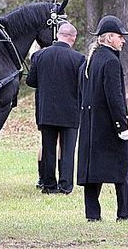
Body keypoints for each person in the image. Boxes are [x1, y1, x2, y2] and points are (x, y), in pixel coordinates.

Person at [77, 15, 128, 223]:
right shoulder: (111, 61)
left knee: (93, 170)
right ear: (109, 38)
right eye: (120, 37)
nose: (123, 41)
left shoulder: (92, 59)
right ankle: (125, 212)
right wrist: (122, 125)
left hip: (92, 124)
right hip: (109, 125)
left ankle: (92, 214)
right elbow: (115, 98)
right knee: (122, 169)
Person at [26, 23, 84, 194]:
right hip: (70, 111)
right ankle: (65, 185)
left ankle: (49, 184)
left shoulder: (39, 56)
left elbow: (31, 81)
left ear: (58, 34)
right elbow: (82, 85)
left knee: (48, 148)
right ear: (73, 38)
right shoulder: (79, 59)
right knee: (67, 150)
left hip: (47, 110)